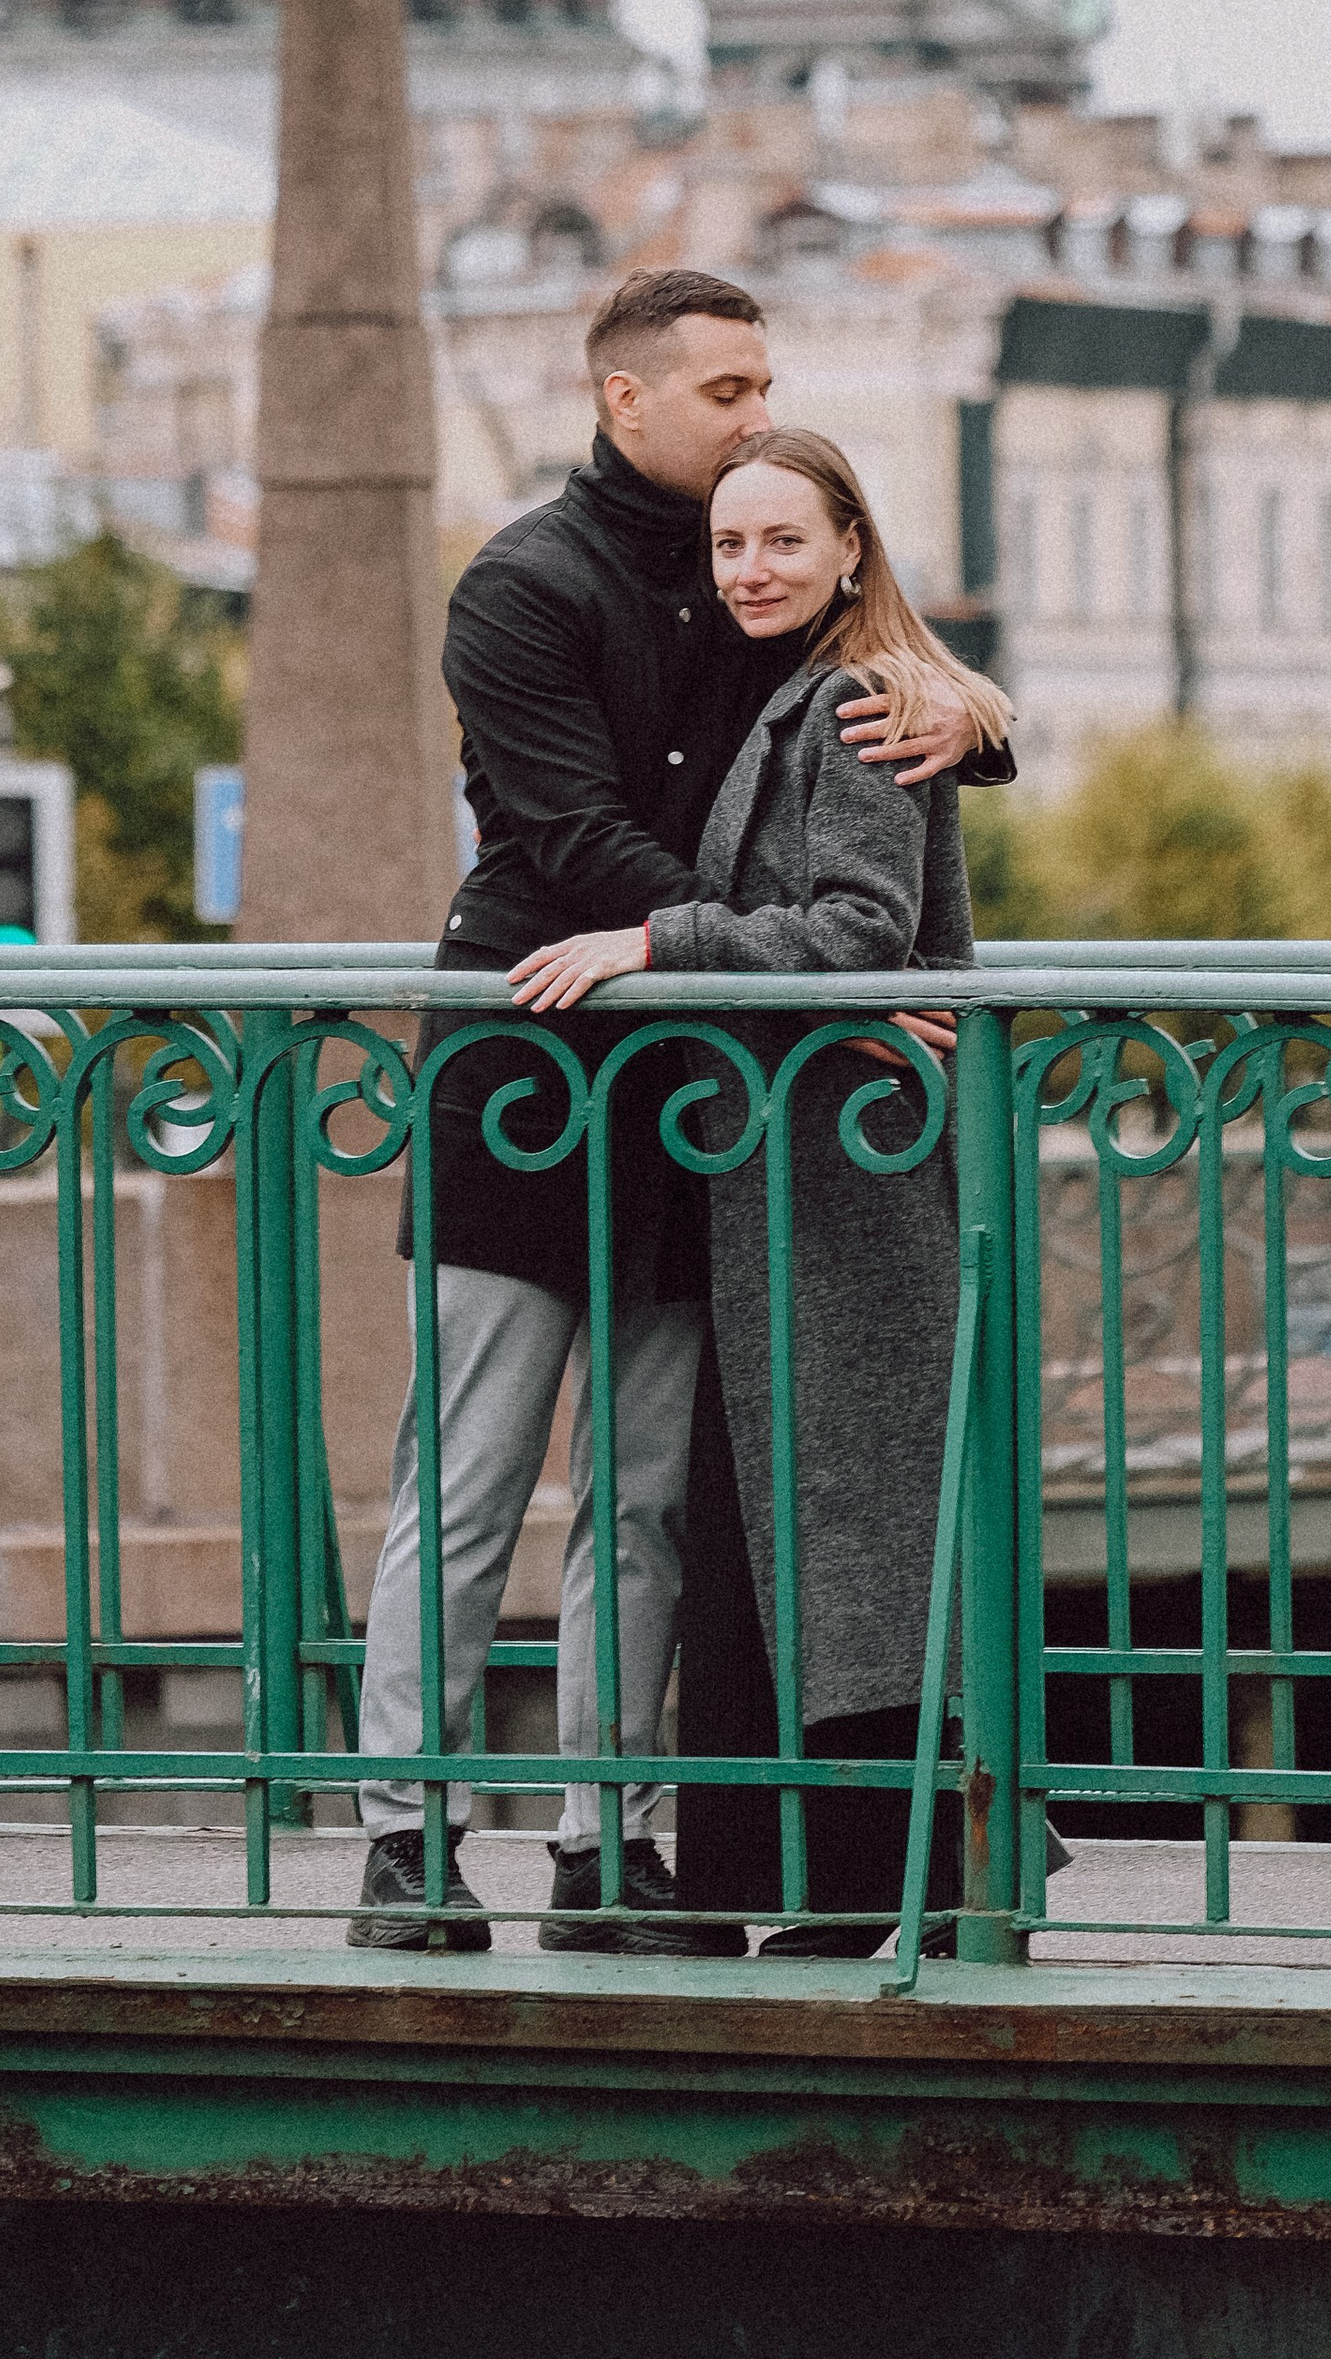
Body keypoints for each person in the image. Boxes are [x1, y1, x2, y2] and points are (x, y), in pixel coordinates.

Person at [349, 274, 1009, 1955]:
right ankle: (407, 1839)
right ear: (624, 401)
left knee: (643, 1499)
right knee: (472, 1479)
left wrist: (973, 716)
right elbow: (571, 837)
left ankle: (607, 1847)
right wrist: (797, 975)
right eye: (726, 390)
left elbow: (866, 705)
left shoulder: (750, 573)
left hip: (691, 1094)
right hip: (522, 1060)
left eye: (765, 386)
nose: (755, 415)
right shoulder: (521, 584)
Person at [511, 423, 1009, 1957]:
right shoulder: (824, 688)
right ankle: (869, 1883)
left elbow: (858, 928)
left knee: (846, 1538)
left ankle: (882, 1890)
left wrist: (655, 943)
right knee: (819, 1538)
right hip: (806, 1171)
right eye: (730, 544)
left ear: (852, 550)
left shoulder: (854, 701)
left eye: (784, 540)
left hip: (845, 1180)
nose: (750, 568)